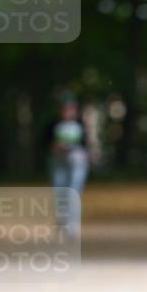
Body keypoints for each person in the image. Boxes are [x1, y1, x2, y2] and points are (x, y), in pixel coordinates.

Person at [44, 94, 89, 236]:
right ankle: (61, 224)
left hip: (76, 163)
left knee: (73, 193)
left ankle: (72, 226)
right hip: (58, 162)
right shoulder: (53, 124)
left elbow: (85, 144)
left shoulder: (80, 124)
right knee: (60, 192)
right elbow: (44, 142)